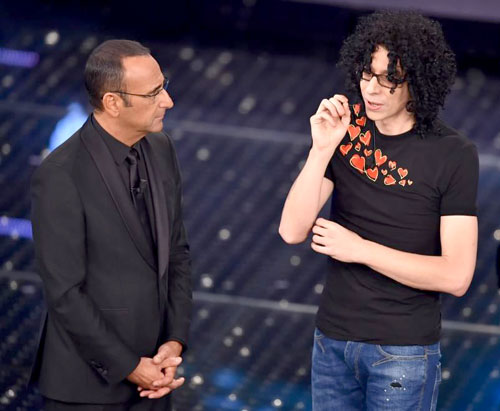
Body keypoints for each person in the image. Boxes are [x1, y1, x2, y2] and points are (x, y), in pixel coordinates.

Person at [279, 11, 478, 411]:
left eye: (390, 79)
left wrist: (360, 249)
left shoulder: (453, 154)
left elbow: (456, 276)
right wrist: (321, 149)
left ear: (416, 82)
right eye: (368, 74)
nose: (372, 89)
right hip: (332, 341)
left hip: (403, 351)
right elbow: (291, 230)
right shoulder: (347, 130)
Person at [30, 39, 192, 410]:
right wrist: (130, 367)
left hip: (156, 379)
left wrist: (174, 342)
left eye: (164, 86)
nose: (167, 101)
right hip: (85, 389)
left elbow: (177, 253)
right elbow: (65, 294)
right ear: (113, 102)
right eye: (153, 93)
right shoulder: (60, 175)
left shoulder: (162, 149)